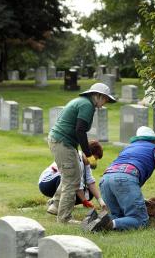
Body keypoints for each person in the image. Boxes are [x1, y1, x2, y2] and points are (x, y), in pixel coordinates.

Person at [84, 126, 155, 232]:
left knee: (117, 216)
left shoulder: (128, 148)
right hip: (125, 178)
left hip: (105, 179)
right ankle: (108, 224)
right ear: (153, 140)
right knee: (141, 220)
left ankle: (95, 220)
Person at [47, 82, 116, 224]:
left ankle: (55, 206)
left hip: (61, 141)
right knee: (72, 180)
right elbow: (80, 131)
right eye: (105, 99)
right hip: (63, 142)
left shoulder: (83, 102)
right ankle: (64, 218)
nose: (106, 102)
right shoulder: (87, 105)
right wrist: (89, 155)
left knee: (72, 176)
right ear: (98, 96)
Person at [39, 140, 106, 212]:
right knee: (69, 179)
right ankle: (57, 204)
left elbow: (90, 181)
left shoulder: (86, 162)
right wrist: (84, 201)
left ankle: (60, 202)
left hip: (64, 182)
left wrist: (100, 201)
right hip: (47, 183)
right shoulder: (75, 157)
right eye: (94, 158)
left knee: (89, 193)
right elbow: (77, 183)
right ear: (87, 153)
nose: (94, 162)